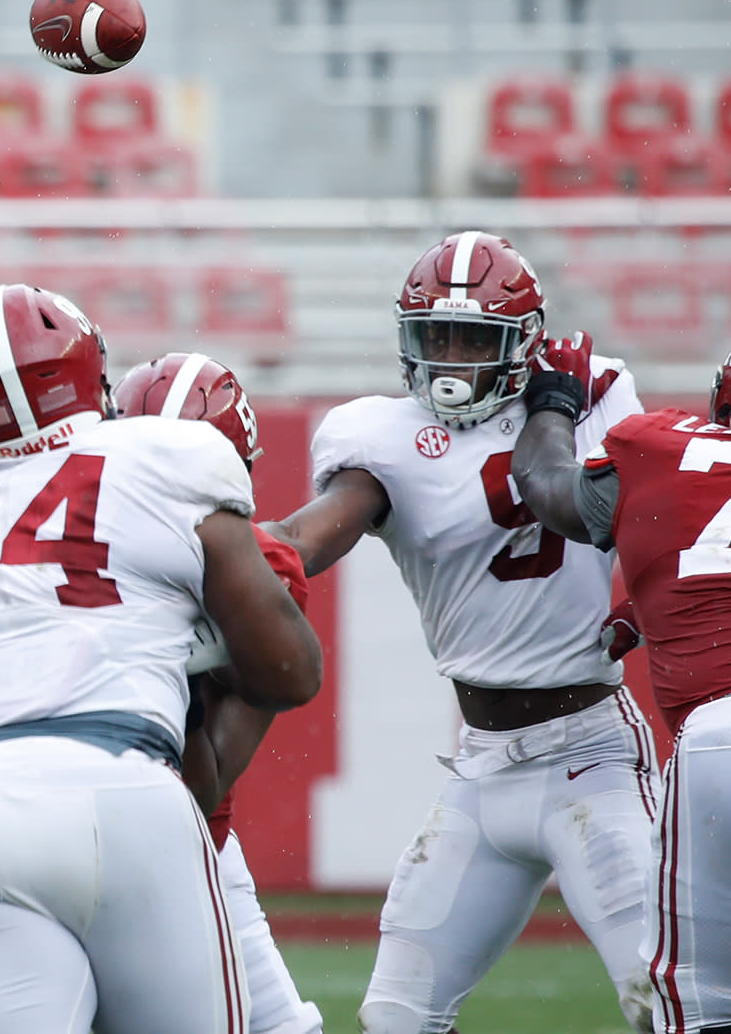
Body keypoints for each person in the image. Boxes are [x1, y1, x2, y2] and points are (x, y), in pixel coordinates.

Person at [0, 350, 323, 1034]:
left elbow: (204, 781)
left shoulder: (252, 569)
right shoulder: (27, 528)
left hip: (186, 844)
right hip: (62, 813)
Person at [260, 230, 659, 1034]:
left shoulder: (598, 390)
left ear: (525, 341)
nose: (451, 358)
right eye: (435, 335)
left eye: (474, 337)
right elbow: (310, 537)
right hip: (482, 770)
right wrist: (240, 552)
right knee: (395, 1016)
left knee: (664, 1000)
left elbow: (642, 522)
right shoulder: (380, 436)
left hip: (592, 752)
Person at [510, 315, 731, 1034]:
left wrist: (555, 400)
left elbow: (546, 487)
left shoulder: (658, 445)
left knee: (716, 1017)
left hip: (729, 739)